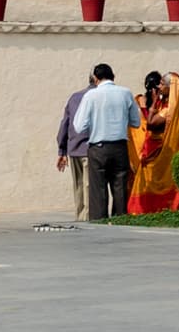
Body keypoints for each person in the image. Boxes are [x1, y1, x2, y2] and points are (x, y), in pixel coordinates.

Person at [58, 63, 138, 221]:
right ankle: (120, 220)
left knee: (98, 190)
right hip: (120, 146)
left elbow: (79, 125)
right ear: (113, 76)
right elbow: (135, 122)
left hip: (98, 148)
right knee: (120, 188)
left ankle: (99, 223)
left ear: (95, 78)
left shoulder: (91, 96)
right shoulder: (125, 93)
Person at [127, 69, 179, 216]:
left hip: (159, 151)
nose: (159, 87)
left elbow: (151, 123)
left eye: (162, 84)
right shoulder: (165, 104)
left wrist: (152, 104)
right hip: (152, 150)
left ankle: (148, 210)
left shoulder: (169, 109)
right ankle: (143, 210)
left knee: (152, 180)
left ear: (170, 87)